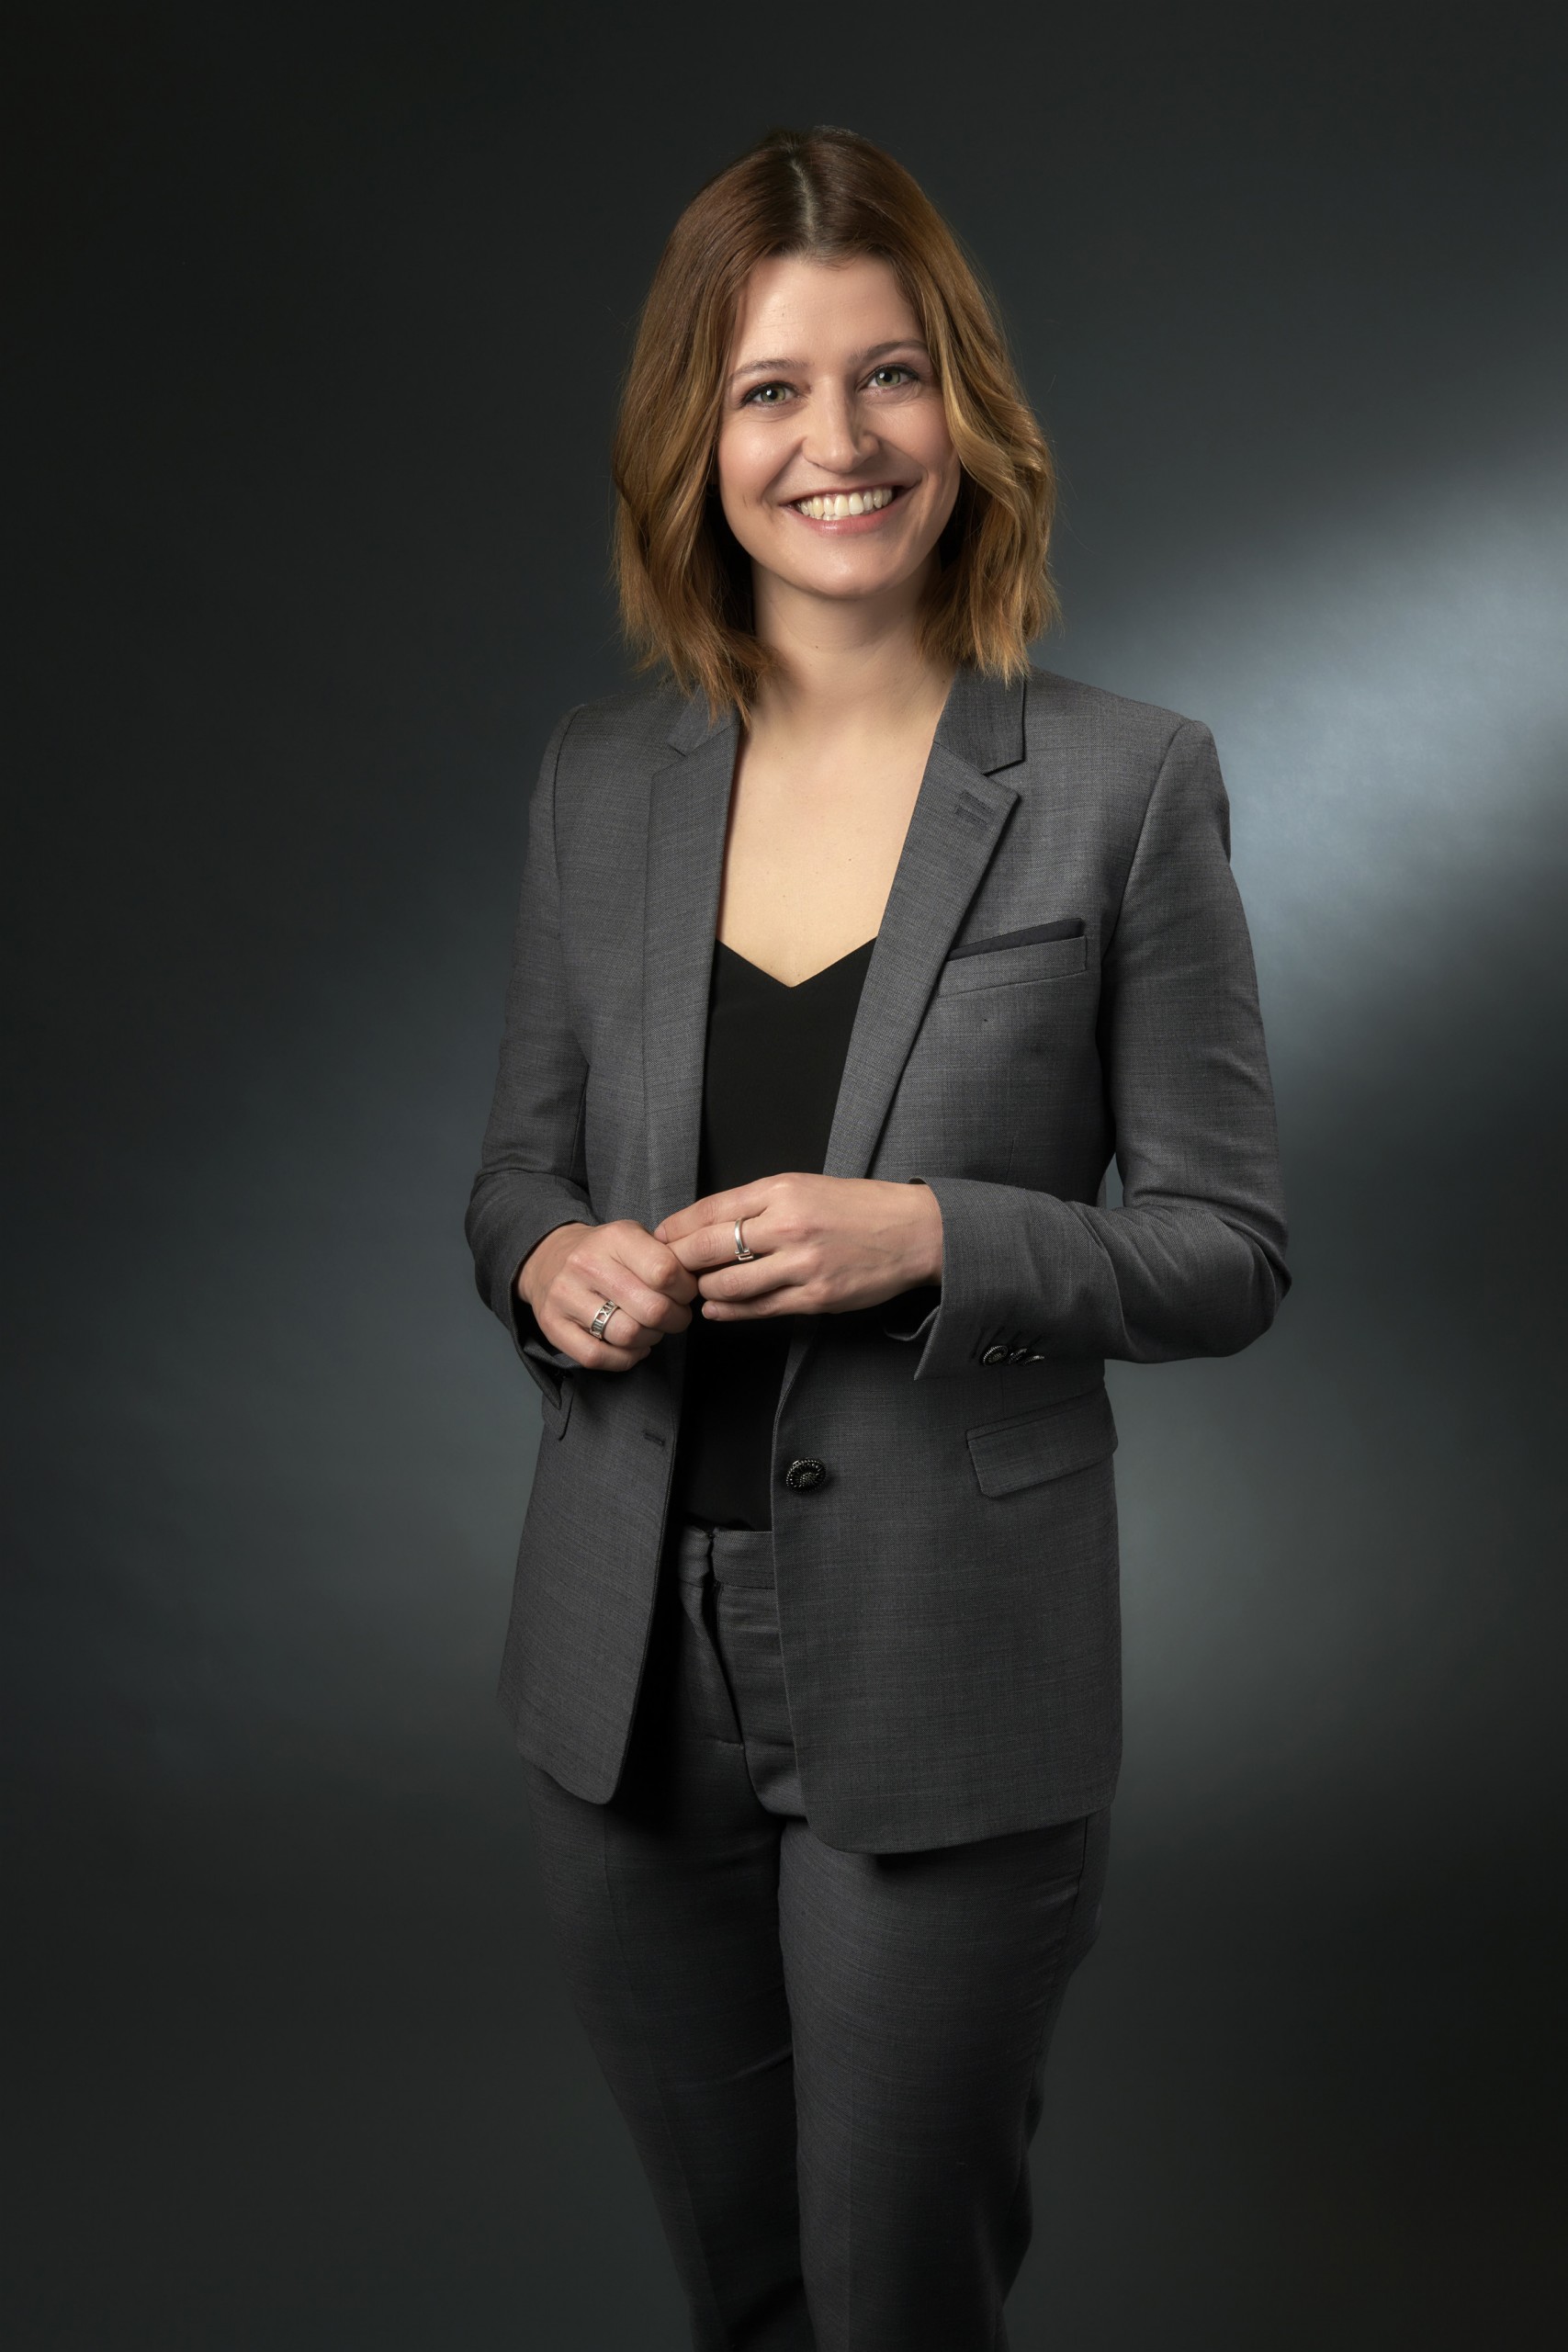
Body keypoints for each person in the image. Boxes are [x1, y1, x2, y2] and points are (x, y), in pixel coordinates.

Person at [465, 124, 1289, 2352]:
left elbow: (1224, 1245)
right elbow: (513, 1173)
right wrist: (547, 1265)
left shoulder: (1123, 783)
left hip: (950, 1660)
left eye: (888, 373)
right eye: (768, 388)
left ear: (963, 408)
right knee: (740, 2294)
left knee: (896, 2298)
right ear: (696, 441)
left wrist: (931, 1232)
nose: (836, 440)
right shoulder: (596, 782)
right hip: (624, 1666)